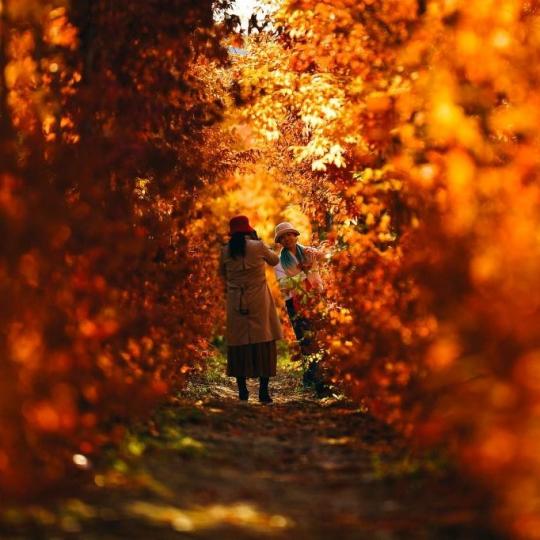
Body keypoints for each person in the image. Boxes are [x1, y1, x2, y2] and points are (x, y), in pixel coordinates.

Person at [219, 215, 283, 403]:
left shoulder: (225, 251)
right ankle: (263, 392)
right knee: (263, 340)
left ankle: (242, 391)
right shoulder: (258, 246)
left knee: (239, 343)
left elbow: (221, 275)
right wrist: (276, 248)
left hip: (235, 299)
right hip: (259, 300)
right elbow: (274, 261)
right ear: (249, 230)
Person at [273, 222, 327, 395]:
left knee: (319, 337)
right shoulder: (279, 262)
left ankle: (320, 376)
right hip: (294, 302)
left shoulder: (309, 252)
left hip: (316, 298)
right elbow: (284, 286)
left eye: (290, 234)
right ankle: (310, 376)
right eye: (283, 237)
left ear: (296, 236)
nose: (287, 238)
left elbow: (327, 259)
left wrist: (320, 254)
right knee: (305, 340)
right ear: (280, 242)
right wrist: (304, 272)